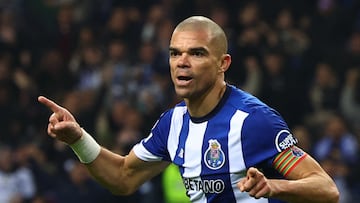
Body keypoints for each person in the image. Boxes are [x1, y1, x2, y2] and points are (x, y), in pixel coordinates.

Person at [38, 16, 339, 203]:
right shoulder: (173, 124)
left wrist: (273, 186)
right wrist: (77, 139)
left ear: (223, 63)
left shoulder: (253, 120)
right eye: (175, 53)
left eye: (196, 53)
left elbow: (326, 189)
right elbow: (123, 178)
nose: (182, 62)